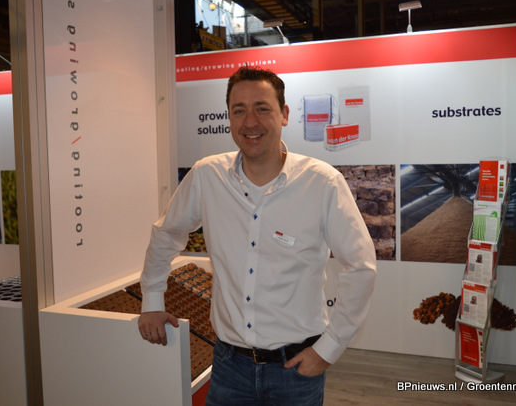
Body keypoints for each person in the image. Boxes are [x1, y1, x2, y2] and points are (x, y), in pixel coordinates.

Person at [138, 66, 376, 405]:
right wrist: (152, 300)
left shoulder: (322, 183)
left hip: (296, 369)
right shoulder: (207, 176)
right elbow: (167, 233)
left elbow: (361, 267)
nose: (250, 122)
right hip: (228, 366)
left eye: (262, 108)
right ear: (229, 118)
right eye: (239, 111)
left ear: (284, 114)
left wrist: (329, 348)